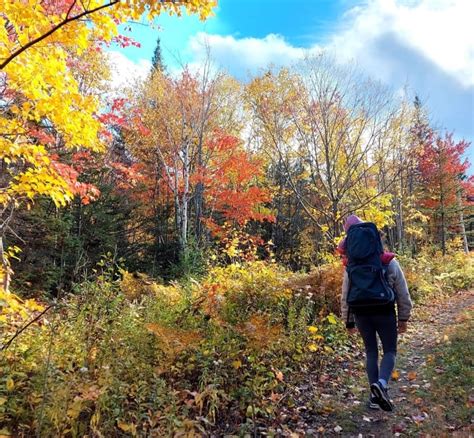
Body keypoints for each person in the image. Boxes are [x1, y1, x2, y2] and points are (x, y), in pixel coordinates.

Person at [339, 215, 413, 411]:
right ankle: (381, 384)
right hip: (384, 311)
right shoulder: (388, 261)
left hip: (361, 313)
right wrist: (404, 317)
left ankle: (374, 398)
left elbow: (345, 295)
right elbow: (402, 292)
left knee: (371, 351)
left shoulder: (350, 266)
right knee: (390, 350)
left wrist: (348, 321)